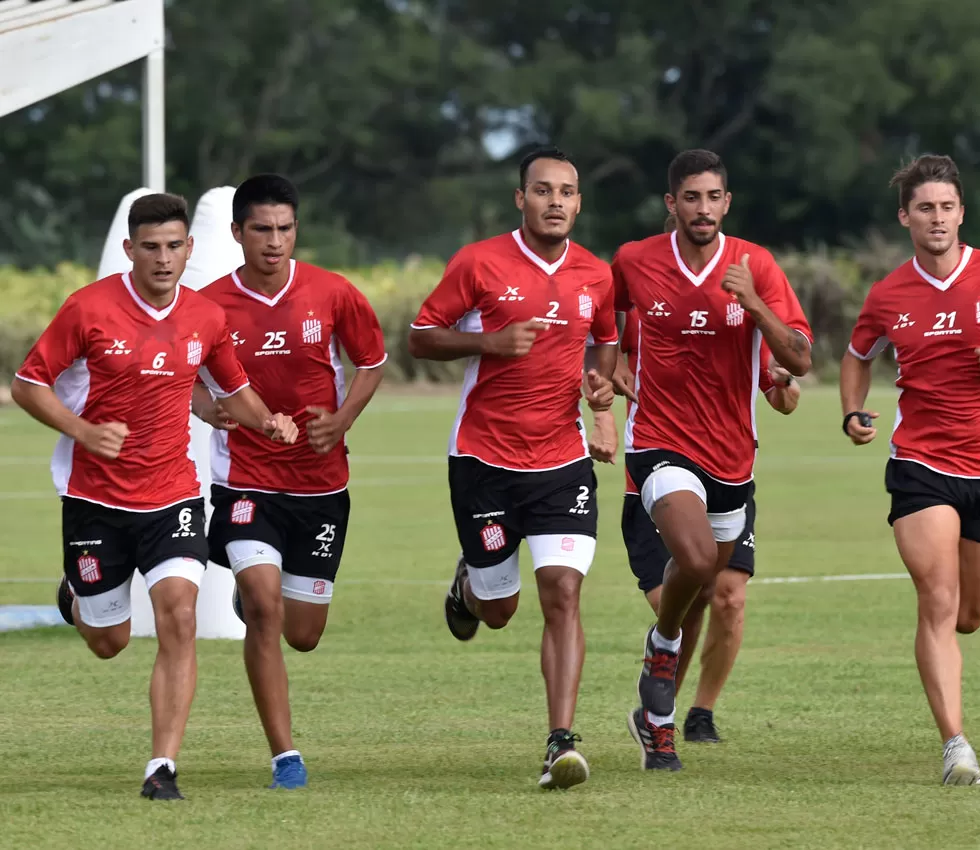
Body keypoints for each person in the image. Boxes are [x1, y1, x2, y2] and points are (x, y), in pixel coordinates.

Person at [10, 193, 298, 800]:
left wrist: (268, 420)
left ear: (188, 249)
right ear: (129, 251)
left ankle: (161, 768)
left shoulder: (204, 316)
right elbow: (27, 385)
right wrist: (83, 430)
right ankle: (80, 597)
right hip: (94, 501)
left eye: (174, 246)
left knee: (180, 616)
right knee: (109, 642)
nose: (163, 259)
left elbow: (233, 388)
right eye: (151, 248)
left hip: (172, 496)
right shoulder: (88, 308)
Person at [841, 154, 980, 785]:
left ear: (961, 213)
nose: (936, 218)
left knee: (969, 614)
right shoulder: (888, 294)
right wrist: (853, 411)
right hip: (920, 466)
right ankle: (956, 745)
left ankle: (952, 710)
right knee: (938, 601)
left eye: (946, 207)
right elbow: (857, 356)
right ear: (904, 216)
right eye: (924, 208)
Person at [408, 147, 619, 790]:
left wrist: (601, 392)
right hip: (484, 459)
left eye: (568, 192)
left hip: (561, 457)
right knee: (499, 608)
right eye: (543, 190)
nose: (556, 201)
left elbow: (605, 342)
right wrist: (487, 342)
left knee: (563, 591)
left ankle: (560, 741)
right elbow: (419, 335)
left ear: (579, 203)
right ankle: (468, 587)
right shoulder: (478, 263)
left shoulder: (596, 274)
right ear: (519, 198)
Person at [612, 148, 812, 771]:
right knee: (698, 566)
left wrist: (755, 304)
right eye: (690, 198)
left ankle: (660, 722)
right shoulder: (633, 261)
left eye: (713, 198)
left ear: (727, 202)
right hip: (660, 446)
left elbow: (800, 360)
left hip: (733, 461)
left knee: (710, 593)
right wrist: (605, 377)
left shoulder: (756, 266)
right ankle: (662, 651)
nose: (703, 209)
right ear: (671, 204)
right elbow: (601, 332)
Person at [193, 174, 388, 789]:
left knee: (303, 634)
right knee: (268, 608)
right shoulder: (209, 305)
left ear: (295, 229)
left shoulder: (333, 294)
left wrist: (344, 419)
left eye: (284, 229)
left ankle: (251, 596)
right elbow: (183, 379)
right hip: (246, 479)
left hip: (322, 487)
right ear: (237, 234)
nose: (273, 242)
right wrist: (207, 408)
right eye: (260, 230)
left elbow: (373, 361)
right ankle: (286, 758)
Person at [615, 307, 801, 744]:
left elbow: (784, 400)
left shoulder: (727, 314)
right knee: (681, 603)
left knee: (729, 597)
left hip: (725, 477)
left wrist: (783, 382)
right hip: (657, 479)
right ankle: (657, 714)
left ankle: (700, 712)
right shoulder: (636, 305)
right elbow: (599, 361)